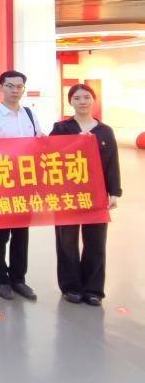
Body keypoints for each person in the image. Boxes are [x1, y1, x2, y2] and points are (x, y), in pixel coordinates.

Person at [50, 84, 121, 306]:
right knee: (67, 242)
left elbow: (112, 163)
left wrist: (114, 191)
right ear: (70, 101)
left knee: (96, 242)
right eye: (77, 98)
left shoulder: (105, 131)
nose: (82, 101)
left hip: (96, 194)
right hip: (67, 194)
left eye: (87, 97)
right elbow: (48, 156)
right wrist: (75, 143)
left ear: (93, 100)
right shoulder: (61, 128)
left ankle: (93, 289)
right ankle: (71, 287)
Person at [0, 70, 43, 301]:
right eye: (10, 86)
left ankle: (19, 279)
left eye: (19, 86)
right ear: (1, 88)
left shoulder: (29, 114)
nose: (15, 90)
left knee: (21, 232)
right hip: (2, 183)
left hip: (26, 182)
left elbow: (39, 141)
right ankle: (1, 279)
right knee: (0, 233)